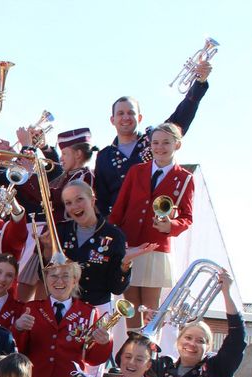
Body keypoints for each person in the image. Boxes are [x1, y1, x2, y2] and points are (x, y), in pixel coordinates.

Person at [108, 123, 196, 326]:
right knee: (129, 306)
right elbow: (120, 208)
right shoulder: (136, 171)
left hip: (156, 248)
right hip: (130, 244)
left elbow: (187, 217)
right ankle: (130, 349)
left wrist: (171, 226)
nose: (160, 147)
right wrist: (112, 238)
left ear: (177, 145)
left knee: (150, 309)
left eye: (166, 142)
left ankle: (148, 350)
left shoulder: (184, 179)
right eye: (155, 142)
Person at [94, 68, 211, 216]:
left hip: (150, 222)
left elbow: (181, 117)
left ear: (140, 118)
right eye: (120, 113)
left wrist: (199, 83)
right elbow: (102, 201)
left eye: (131, 113)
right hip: (119, 224)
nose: (125, 117)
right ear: (112, 120)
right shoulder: (104, 156)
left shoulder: (154, 140)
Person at [55, 181, 149, 311]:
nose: (74, 206)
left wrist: (125, 263)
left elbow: (117, 289)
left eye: (80, 199)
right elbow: (44, 277)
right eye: (68, 203)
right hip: (64, 309)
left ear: (92, 200)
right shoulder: (60, 231)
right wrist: (48, 249)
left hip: (97, 311)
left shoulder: (114, 235)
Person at [0, 254, 24, 332]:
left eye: (9, 275)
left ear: (14, 279)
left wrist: (18, 327)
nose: (2, 279)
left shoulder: (20, 310)